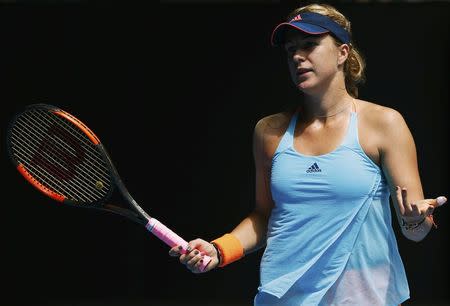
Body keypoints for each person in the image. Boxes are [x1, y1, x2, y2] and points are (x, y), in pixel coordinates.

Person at [168, 3, 447, 305]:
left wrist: (412, 220)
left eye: (310, 45)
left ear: (343, 53)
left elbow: (417, 232)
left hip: (365, 297)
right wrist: (219, 249)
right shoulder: (269, 131)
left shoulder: (384, 124)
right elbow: (264, 217)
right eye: (291, 50)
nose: (298, 57)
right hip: (284, 297)